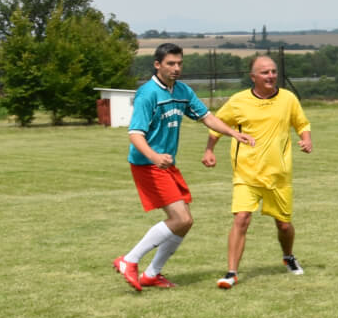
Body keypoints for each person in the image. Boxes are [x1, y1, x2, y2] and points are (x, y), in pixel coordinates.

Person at [114, 44, 254, 291]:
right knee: (181, 218)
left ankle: (152, 274)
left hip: (167, 164)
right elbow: (135, 134)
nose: (176, 68)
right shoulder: (148, 94)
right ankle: (129, 260)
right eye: (170, 63)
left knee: (185, 222)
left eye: (179, 63)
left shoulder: (182, 90)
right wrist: (154, 156)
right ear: (157, 65)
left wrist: (233, 133)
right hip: (148, 164)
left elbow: (207, 117)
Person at [201, 55, 312, 288]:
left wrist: (306, 139)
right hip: (246, 173)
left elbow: (302, 123)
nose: (271, 76)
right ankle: (231, 273)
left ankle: (288, 256)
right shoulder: (238, 101)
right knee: (241, 218)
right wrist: (209, 150)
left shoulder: (288, 99)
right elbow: (217, 125)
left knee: (284, 225)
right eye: (264, 72)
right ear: (253, 77)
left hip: (278, 174)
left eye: (273, 71)